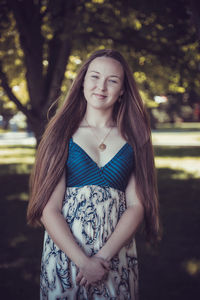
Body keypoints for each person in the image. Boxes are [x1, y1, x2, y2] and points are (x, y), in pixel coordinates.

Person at [27, 49, 160, 300]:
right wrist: (83, 262)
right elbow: (49, 208)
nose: (101, 86)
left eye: (112, 80)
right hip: (66, 257)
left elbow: (137, 206)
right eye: (95, 77)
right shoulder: (61, 134)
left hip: (115, 257)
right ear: (82, 82)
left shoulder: (135, 137)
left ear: (122, 90)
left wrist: (101, 258)